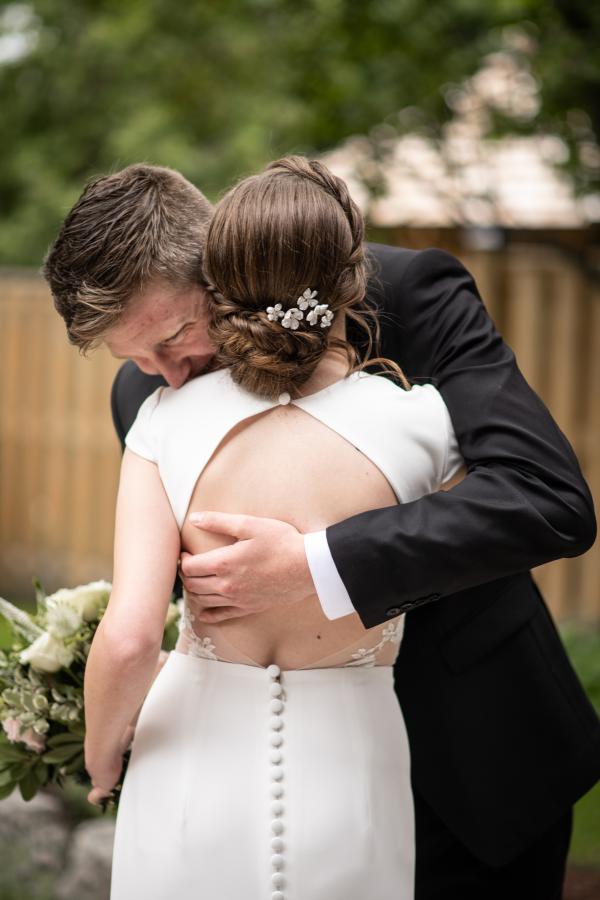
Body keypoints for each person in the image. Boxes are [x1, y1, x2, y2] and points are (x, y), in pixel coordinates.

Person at [43, 161, 599, 900]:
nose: (165, 375)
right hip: (253, 786)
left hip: (473, 751)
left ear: (215, 268)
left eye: (175, 335)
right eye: (135, 356)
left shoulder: (404, 292)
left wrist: (320, 564)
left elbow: (545, 496)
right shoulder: (144, 395)